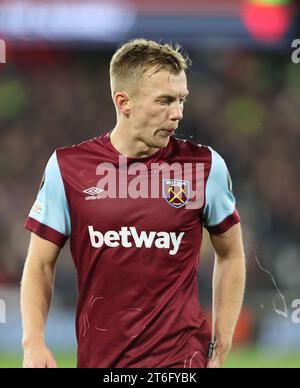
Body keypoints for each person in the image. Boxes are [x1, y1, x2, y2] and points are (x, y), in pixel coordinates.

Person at [21, 39, 246, 369]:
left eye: (182, 99)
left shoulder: (204, 167)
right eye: (165, 101)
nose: (178, 113)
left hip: (182, 363)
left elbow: (231, 252)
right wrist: (33, 341)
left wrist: (222, 338)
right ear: (123, 102)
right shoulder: (68, 168)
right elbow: (40, 263)